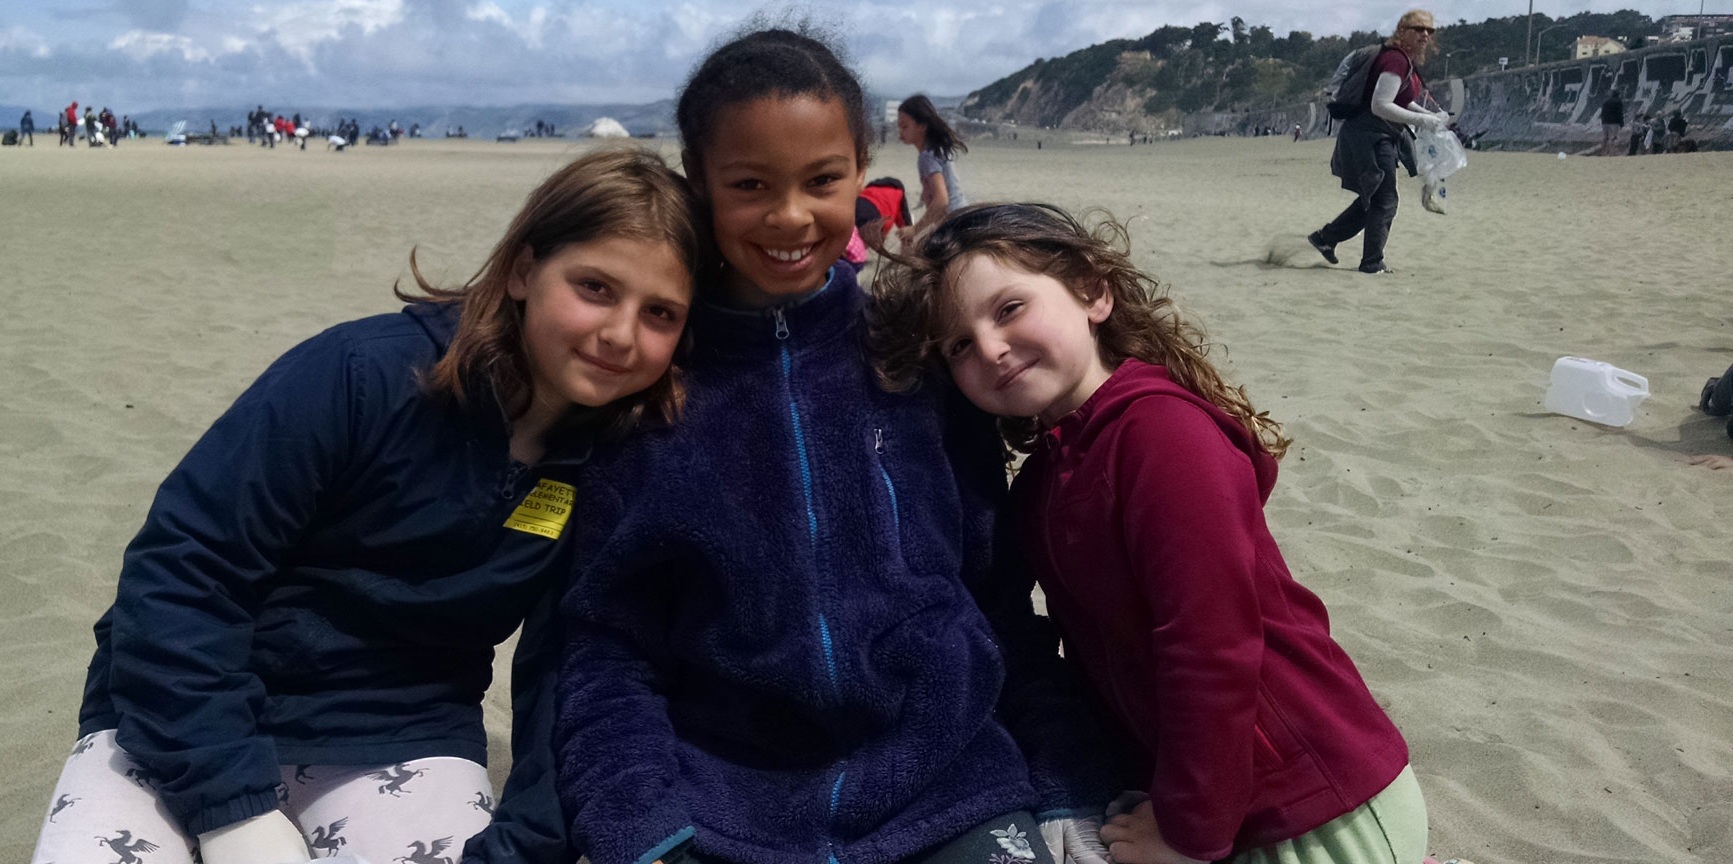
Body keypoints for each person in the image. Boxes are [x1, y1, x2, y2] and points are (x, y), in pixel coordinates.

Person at [27, 148, 707, 864]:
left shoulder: (616, 459)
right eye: (595, 287)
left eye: (659, 313)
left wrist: (526, 842)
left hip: (401, 732)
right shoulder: (359, 378)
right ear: (522, 270)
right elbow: (180, 578)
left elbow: (565, 666)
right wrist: (232, 814)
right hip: (183, 719)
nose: (621, 333)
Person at [554, 25, 1120, 864]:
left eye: (821, 180)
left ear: (862, 168)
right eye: (749, 184)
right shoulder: (649, 380)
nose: (789, 214)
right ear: (699, 184)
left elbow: (999, 599)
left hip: (951, 782)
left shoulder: (914, 353)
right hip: (723, 806)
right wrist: (639, 828)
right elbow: (606, 645)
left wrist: (1066, 774)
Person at [869, 202, 1425, 864]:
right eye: (959, 344)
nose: (990, 347)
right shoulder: (1048, 473)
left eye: (1009, 309)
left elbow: (1210, 646)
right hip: (1219, 796)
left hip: (1311, 801)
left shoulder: (1160, 435)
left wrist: (1188, 834)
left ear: (1093, 293)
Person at [1308, 9, 1445, 275]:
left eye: (1429, 30)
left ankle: (1325, 238)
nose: (1425, 35)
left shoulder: (1403, 59)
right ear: (1402, 31)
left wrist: (1428, 115)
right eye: (1418, 29)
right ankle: (1371, 262)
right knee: (1385, 199)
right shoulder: (1396, 59)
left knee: (1375, 196)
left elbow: (1400, 98)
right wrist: (1424, 122)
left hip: (1378, 134)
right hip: (1370, 135)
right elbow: (1381, 105)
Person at [896, 93, 969, 235]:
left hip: (952, 222)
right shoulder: (937, 148)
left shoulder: (927, 157)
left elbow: (942, 201)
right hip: (962, 215)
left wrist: (915, 229)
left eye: (905, 126)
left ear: (922, 126)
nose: (900, 133)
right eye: (899, 127)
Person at [1599, 90, 1625, 156]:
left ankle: (1602, 152)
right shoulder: (1618, 101)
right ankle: (1612, 153)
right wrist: (1621, 123)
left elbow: (1602, 112)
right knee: (1613, 137)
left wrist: (1603, 120)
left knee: (1605, 137)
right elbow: (1619, 113)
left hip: (1604, 121)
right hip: (1614, 122)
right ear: (1618, 95)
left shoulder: (1606, 101)